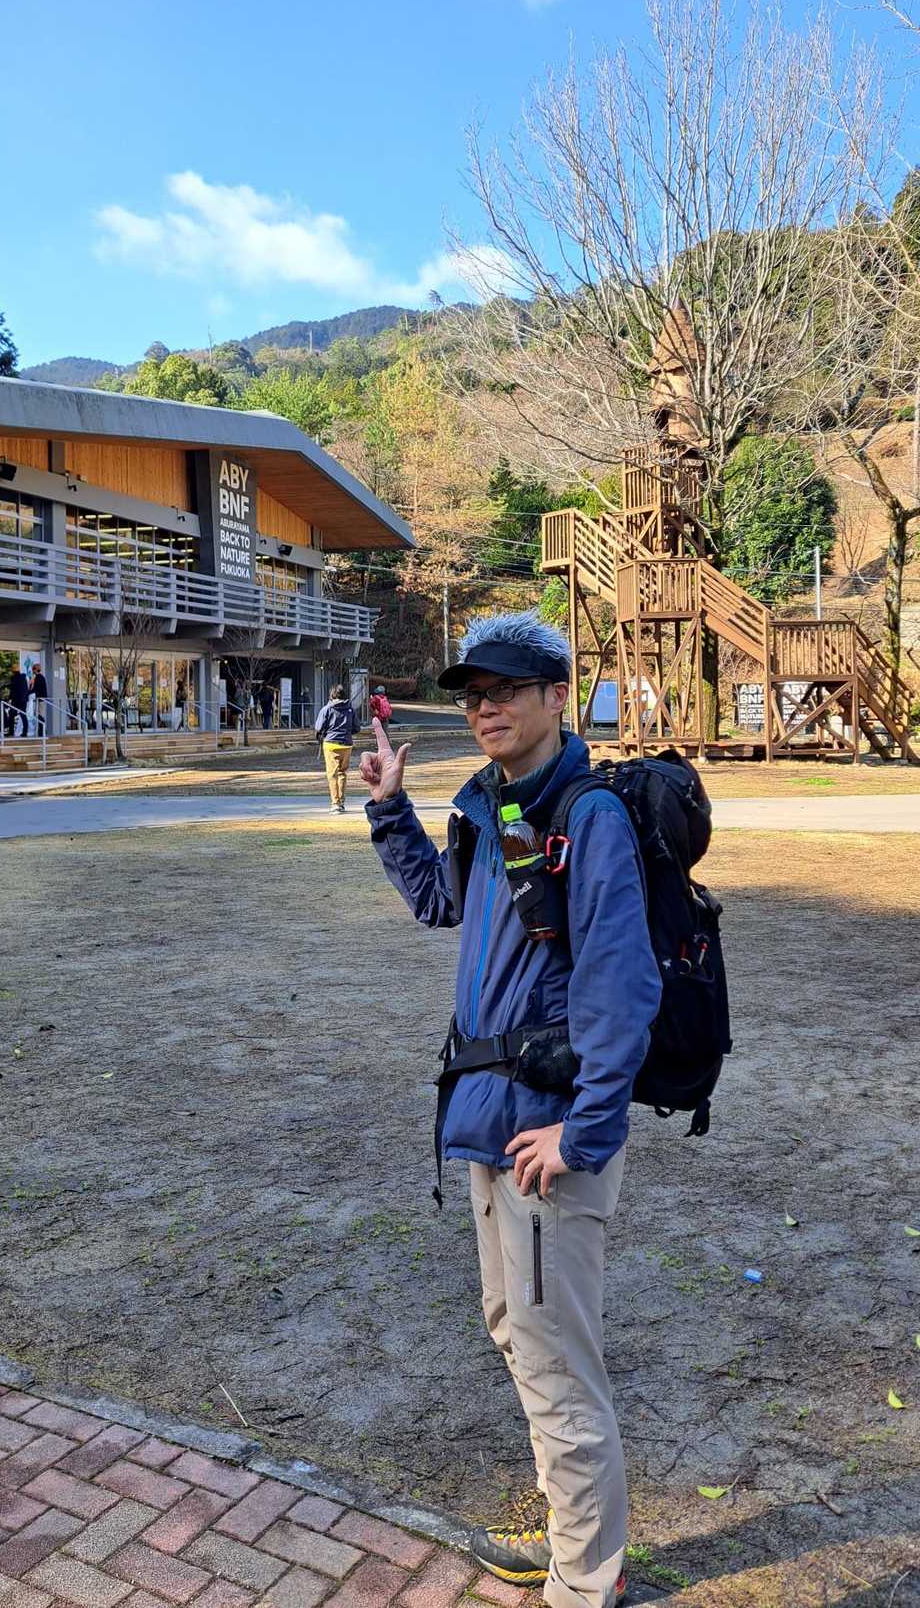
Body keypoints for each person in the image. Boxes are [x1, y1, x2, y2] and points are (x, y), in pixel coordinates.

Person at [359, 613, 662, 1608]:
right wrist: (391, 811)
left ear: (555, 695)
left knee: (556, 1361)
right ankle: (573, 1531)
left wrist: (586, 1130)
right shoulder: (492, 805)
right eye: (472, 694)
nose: (484, 707)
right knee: (516, 1330)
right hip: (493, 1117)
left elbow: (625, 988)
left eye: (505, 689)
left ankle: (586, 1580)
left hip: (548, 1134)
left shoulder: (589, 815)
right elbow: (439, 903)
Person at [314, 683, 357, 813]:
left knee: (332, 774)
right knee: (342, 773)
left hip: (331, 744)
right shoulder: (350, 709)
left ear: (332, 694)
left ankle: (335, 803)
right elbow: (357, 727)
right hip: (347, 744)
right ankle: (341, 802)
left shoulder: (327, 709)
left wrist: (321, 736)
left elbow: (318, 727)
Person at [8, 665, 29, 738]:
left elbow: (13, 689)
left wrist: (9, 698)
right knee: (23, 715)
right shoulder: (24, 678)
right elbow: (26, 689)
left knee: (11, 715)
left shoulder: (14, 678)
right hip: (23, 700)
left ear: (13, 671)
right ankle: (25, 732)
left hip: (16, 700)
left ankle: (11, 732)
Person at [29, 662, 48, 736]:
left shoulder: (38, 677)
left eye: (33, 670)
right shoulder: (41, 677)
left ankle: (42, 730)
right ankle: (41, 730)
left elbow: (36, 689)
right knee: (38, 714)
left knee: (39, 714)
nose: (32, 671)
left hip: (40, 699)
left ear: (35, 670)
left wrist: (28, 692)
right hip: (40, 698)